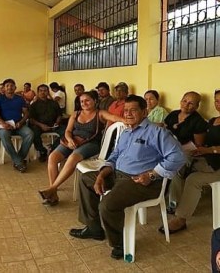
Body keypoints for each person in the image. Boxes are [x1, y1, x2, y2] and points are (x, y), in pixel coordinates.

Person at [69, 95, 186, 260]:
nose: (128, 114)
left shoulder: (156, 132)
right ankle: (93, 227)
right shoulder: (125, 132)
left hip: (142, 181)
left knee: (108, 205)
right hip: (118, 174)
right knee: (86, 179)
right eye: (125, 111)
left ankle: (119, 243)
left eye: (133, 110)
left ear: (144, 112)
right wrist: (102, 174)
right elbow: (114, 156)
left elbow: (178, 157)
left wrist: (152, 174)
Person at [38, 91, 124, 205]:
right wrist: (69, 140)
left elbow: (114, 117)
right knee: (53, 157)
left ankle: (52, 189)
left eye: (87, 100)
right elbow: (68, 131)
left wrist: (128, 120)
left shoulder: (100, 113)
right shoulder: (76, 114)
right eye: (82, 101)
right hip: (72, 141)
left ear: (95, 101)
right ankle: (53, 193)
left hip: (91, 144)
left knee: (73, 158)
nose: (84, 103)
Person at [164, 90, 220, 234]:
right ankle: (174, 203)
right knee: (178, 165)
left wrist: (209, 150)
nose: (218, 104)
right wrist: (200, 150)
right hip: (205, 159)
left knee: (192, 179)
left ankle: (181, 219)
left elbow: (208, 146)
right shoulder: (213, 120)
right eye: (217, 101)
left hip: (216, 164)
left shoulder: (199, 121)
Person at [0, 79, 33, 172]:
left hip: (18, 124)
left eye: (12, 85)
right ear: (4, 88)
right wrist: (3, 123)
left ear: (15, 88)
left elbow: (26, 113)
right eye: (7, 86)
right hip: (4, 125)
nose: (9, 87)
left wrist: (21, 122)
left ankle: (18, 159)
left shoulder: (20, 99)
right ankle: (18, 161)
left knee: (30, 134)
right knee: (4, 135)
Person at [28, 84, 62, 161]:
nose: (43, 92)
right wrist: (41, 125)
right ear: (37, 92)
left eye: (45, 91)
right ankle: (42, 151)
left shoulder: (54, 103)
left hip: (53, 125)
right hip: (39, 126)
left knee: (66, 132)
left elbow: (59, 115)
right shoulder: (34, 105)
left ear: (48, 92)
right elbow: (31, 119)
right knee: (33, 133)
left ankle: (53, 149)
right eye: (41, 91)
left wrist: (57, 122)